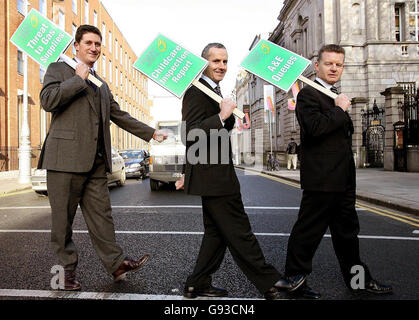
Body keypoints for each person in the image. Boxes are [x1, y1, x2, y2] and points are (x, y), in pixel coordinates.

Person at [38, 25, 168, 291]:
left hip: (96, 163)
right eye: (88, 43)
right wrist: (77, 79)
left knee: (102, 218)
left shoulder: (101, 83)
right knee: (62, 223)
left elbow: (119, 115)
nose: (94, 48)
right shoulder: (58, 69)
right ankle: (64, 275)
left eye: (98, 44)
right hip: (64, 161)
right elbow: (48, 100)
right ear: (76, 46)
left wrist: (151, 133)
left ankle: (116, 264)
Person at [175, 43, 303, 300]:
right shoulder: (196, 93)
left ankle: (196, 283)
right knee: (238, 229)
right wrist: (222, 116)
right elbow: (190, 134)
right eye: (216, 61)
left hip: (216, 171)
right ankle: (271, 280)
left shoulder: (214, 92)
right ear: (204, 64)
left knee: (217, 233)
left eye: (224, 61)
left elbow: (216, 131)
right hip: (213, 175)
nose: (221, 66)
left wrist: (229, 116)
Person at [276, 44, 393, 299]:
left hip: (342, 180)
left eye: (339, 64)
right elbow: (315, 128)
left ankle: (359, 282)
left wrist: (337, 106)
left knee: (347, 237)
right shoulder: (308, 96)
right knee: (308, 232)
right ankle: (293, 280)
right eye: (329, 63)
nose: (334, 68)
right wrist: (339, 109)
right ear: (316, 66)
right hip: (321, 179)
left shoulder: (332, 94)